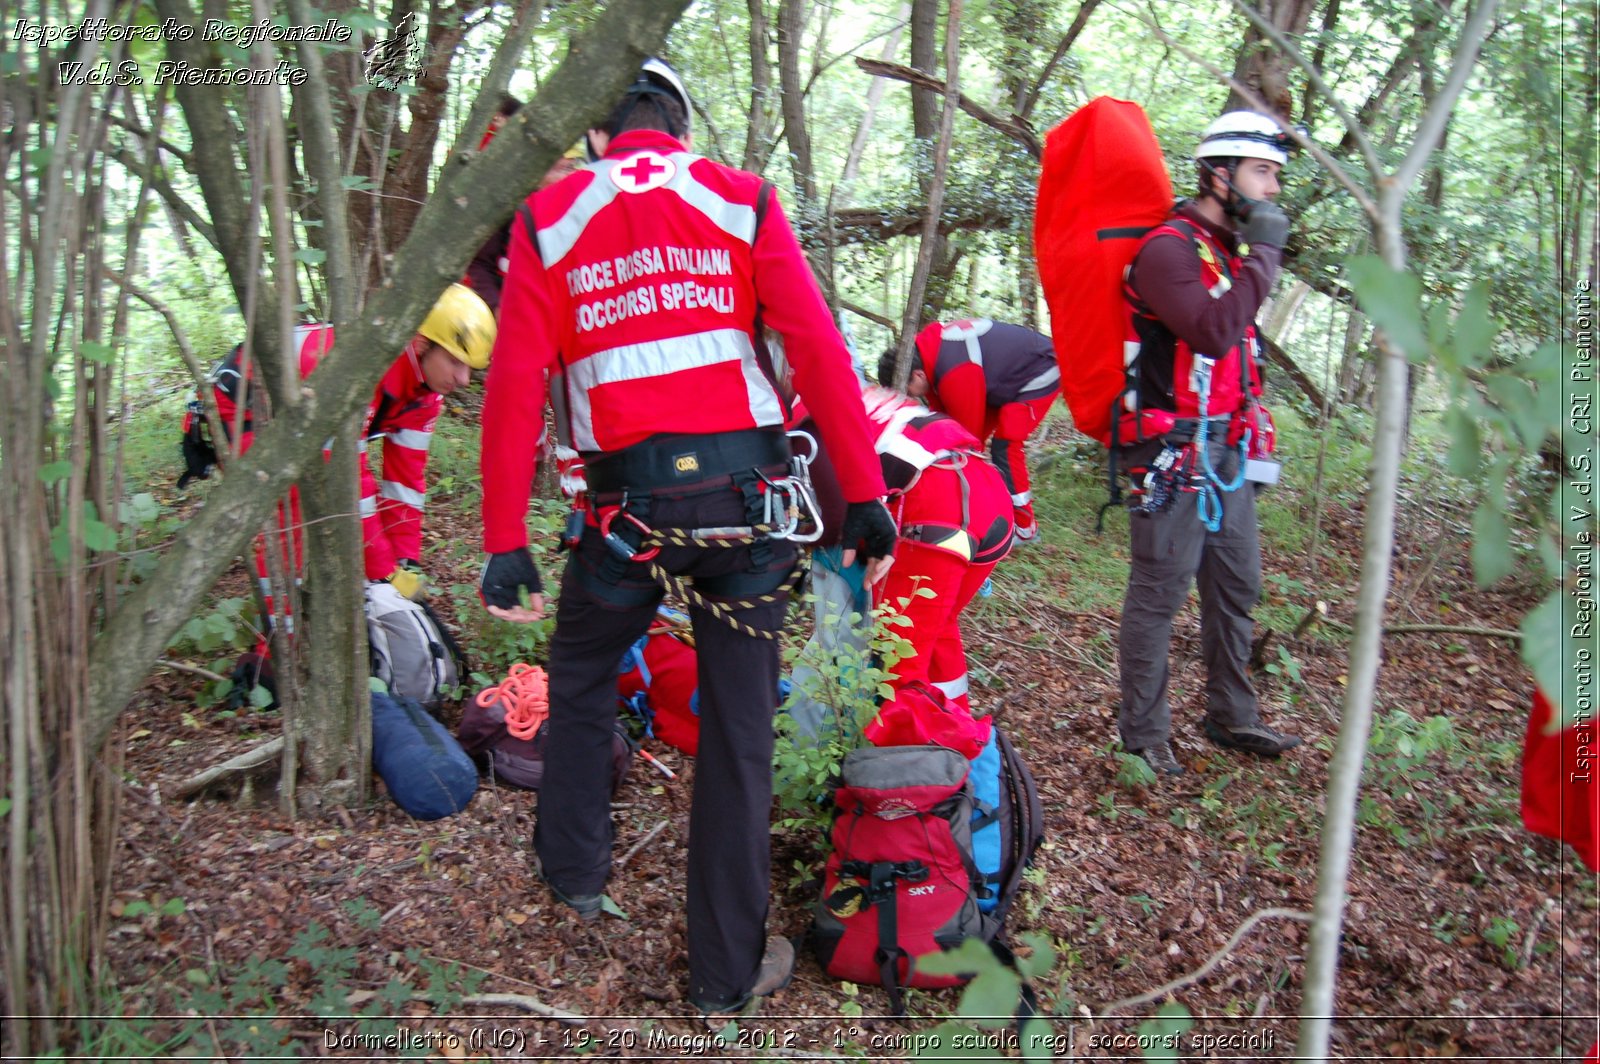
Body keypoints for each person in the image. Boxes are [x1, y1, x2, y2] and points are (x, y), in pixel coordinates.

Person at [475, 57, 897, 1017]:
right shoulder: (740, 198)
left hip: (625, 523)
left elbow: (512, 385)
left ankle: (574, 870)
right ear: (679, 122)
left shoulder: (551, 218)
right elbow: (819, 347)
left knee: (581, 679)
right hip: (746, 517)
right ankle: (723, 976)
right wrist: (863, 491)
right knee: (740, 732)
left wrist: (507, 539)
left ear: (595, 131)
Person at [1115, 111, 1301, 776]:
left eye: (1277, 174)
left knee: (1236, 584)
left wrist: (1254, 258)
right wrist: (1267, 256)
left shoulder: (1225, 253)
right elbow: (1214, 333)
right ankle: (1142, 734)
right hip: (1173, 450)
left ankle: (1232, 715)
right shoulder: (1168, 250)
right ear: (1219, 175)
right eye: (1263, 172)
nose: (1274, 188)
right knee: (1159, 592)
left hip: (1227, 444)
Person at [211, 285, 495, 694]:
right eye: (454, 362)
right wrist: (384, 571)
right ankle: (276, 655)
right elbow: (349, 484)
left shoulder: (425, 393)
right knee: (292, 516)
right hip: (244, 409)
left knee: (357, 543)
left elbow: (405, 486)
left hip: (306, 420)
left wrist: (406, 564)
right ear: (420, 344)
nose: (463, 379)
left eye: (470, 368)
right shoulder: (359, 368)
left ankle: (337, 625)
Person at [878, 318, 1060, 540]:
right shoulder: (930, 358)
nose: (914, 398)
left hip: (1040, 368)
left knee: (1005, 446)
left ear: (918, 375)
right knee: (966, 454)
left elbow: (967, 440)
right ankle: (987, 510)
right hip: (998, 382)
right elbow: (943, 427)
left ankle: (1025, 528)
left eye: (911, 391)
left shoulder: (954, 371)